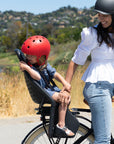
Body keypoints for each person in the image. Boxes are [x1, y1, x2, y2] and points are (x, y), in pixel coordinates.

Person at [63, 0, 114, 143]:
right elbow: (75, 61)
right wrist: (66, 88)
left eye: (105, 15)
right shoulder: (93, 34)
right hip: (98, 87)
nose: (101, 18)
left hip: (110, 85)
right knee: (103, 140)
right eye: (99, 15)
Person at [19, 35, 74, 137]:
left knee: (67, 97)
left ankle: (59, 120)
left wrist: (65, 83)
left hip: (50, 90)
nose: (28, 57)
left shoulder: (44, 65)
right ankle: (61, 125)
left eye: (31, 55)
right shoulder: (31, 67)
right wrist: (27, 68)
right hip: (44, 92)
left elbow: (55, 74)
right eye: (27, 55)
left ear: (41, 56)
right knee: (63, 97)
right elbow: (38, 77)